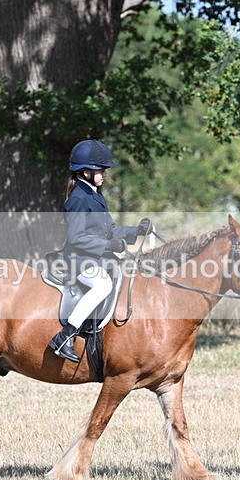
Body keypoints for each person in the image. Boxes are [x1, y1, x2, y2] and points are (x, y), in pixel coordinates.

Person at [49, 139, 151, 363]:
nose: (104, 174)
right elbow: (76, 238)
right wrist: (108, 245)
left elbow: (110, 229)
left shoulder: (95, 195)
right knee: (103, 284)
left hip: (94, 258)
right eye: (101, 170)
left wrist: (136, 231)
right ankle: (65, 337)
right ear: (86, 172)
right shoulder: (78, 199)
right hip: (77, 260)